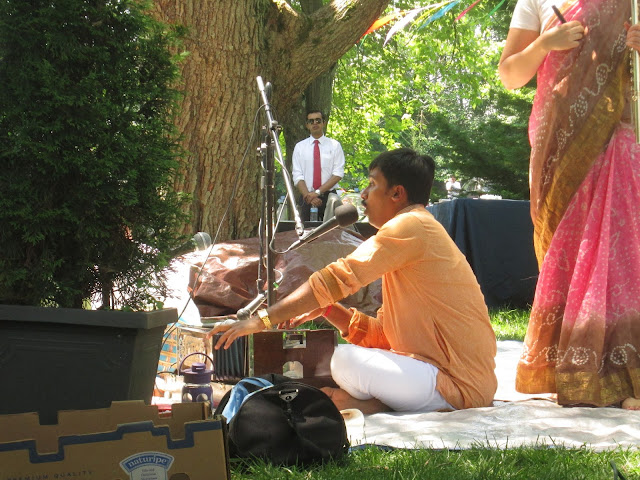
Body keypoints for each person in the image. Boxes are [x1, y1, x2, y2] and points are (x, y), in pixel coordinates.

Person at [209, 148, 497, 414]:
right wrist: (327, 309)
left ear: (397, 193)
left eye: (372, 184)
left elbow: (337, 278)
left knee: (344, 361)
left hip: (455, 384)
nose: (363, 194)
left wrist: (262, 320)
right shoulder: (415, 230)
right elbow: (383, 338)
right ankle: (376, 404)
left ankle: (380, 405)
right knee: (343, 359)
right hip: (440, 378)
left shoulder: (410, 225)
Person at [499, 0, 640, 408]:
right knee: (568, 251)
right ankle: (574, 366)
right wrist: (546, 42)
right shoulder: (536, 1)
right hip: (556, 145)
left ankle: (623, 371)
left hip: (616, 137)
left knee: (618, 252)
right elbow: (510, 75)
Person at [291, 110, 345, 221]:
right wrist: (309, 196)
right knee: (306, 231)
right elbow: (297, 175)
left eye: (318, 120)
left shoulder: (335, 146)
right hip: (307, 198)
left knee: (331, 230)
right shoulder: (300, 147)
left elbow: (338, 174)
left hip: (329, 198)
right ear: (307, 125)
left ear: (324, 123)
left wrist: (317, 193)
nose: (315, 123)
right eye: (311, 121)